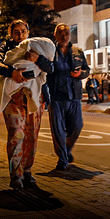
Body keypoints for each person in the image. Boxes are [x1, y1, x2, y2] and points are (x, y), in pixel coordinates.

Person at [0, 19, 55, 189]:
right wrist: (11, 72)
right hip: (14, 98)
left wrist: (37, 59)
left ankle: (27, 170)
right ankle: (15, 175)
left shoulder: (35, 46)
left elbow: (50, 68)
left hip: (35, 97)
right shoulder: (5, 47)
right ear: (10, 33)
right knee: (16, 135)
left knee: (32, 136)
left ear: (28, 32)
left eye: (23, 31)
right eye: (16, 32)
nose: (20, 35)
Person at [47, 23, 90, 171]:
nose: (64, 36)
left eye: (66, 33)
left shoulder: (78, 51)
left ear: (70, 35)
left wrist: (80, 74)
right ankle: (62, 159)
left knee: (77, 126)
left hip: (74, 96)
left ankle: (66, 150)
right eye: (60, 33)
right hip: (56, 96)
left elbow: (87, 70)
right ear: (55, 35)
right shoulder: (50, 52)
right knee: (58, 130)